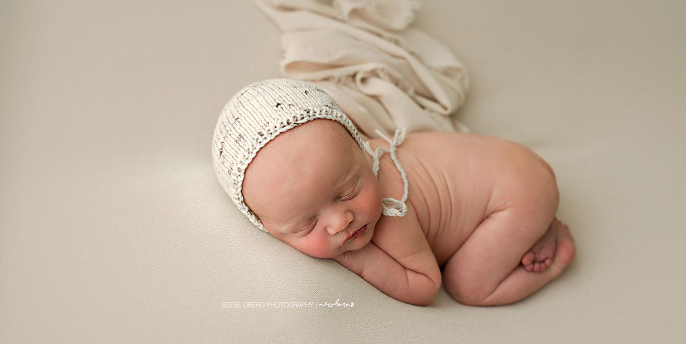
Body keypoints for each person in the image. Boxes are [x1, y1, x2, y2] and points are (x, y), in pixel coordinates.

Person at [213, 79, 576, 306]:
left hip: (516, 192)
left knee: (468, 286)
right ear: (264, 226)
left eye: (348, 190)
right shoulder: (335, 167)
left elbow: (424, 285)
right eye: (307, 224)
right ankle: (533, 222)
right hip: (508, 161)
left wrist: (355, 258)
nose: (342, 221)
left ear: (360, 147)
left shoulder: (391, 210)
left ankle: (554, 249)